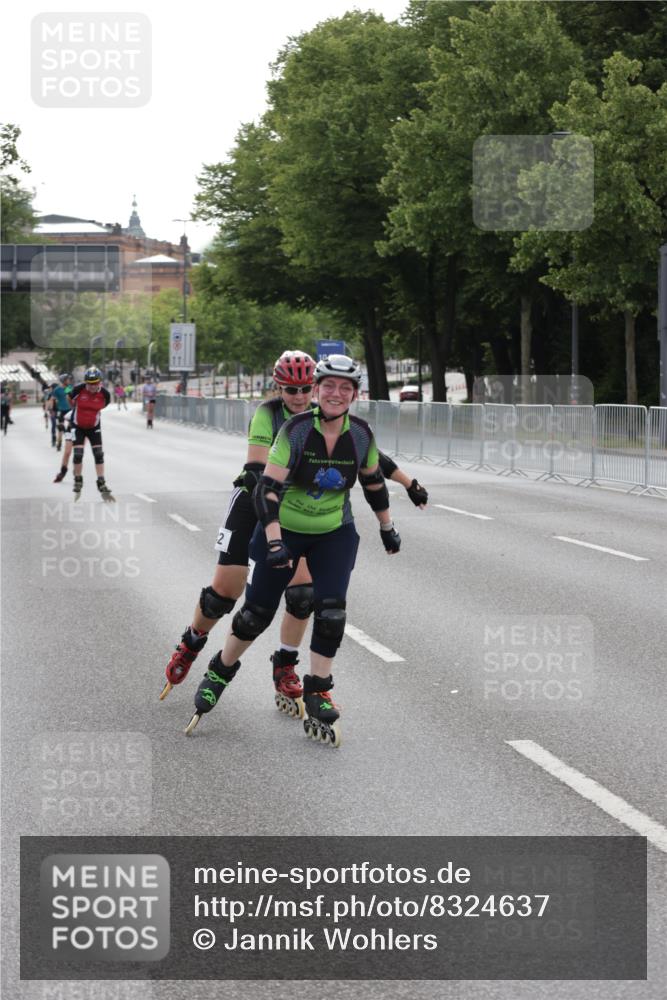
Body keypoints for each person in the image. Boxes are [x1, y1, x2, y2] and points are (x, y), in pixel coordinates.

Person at [161, 351, 428, 716]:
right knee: (223, 597)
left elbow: (372, 459)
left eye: (305, 388)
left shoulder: (336, 419)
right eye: (292, 389)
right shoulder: (272, 416)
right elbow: (258, 471)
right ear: (279, 387)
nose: (300, 396)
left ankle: (285, 665)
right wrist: (273, 527)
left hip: (300, 514)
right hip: (256, 502)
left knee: (303, 595)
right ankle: (192, 641)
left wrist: (409, 484)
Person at [69, 367, 115, 501]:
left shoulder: (105, 394)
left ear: (100, 382)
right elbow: (69, 398)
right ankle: (78, 479)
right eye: (89, 383)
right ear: (85, 382)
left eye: (95, 383)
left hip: (94, 426)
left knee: (99, 454)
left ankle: (101, 482)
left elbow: (104, 405)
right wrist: (74, 410)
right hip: (77, 426)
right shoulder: (79, 389)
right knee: (78, 454)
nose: (92, 386)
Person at [50, 373, 72, 452]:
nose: (69, 380)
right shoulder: (59, 389)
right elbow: (53, 399)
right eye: (68, 379)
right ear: (64, 381)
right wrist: (52, 409)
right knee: (61, 428)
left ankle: (68, 441)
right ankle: (59, 442)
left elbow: (70, 397)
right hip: (62, 410)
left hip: (68, 410)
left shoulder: (67, 388)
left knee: (69, 427)